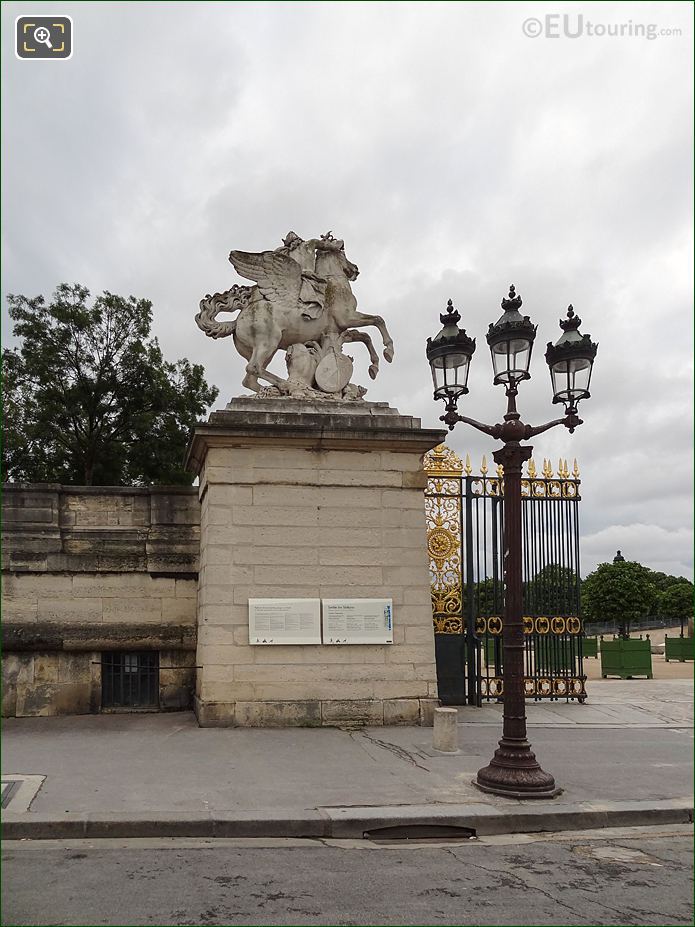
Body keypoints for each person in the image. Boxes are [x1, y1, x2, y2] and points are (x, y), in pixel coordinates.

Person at [276, 231, 341, 320]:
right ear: (299, 239)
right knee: (322, 288)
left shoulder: (286, 252)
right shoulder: (310, 244)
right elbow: (329, 246)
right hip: (309, 277)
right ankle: (311, 311)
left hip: (291, 279)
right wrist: (337, 245)